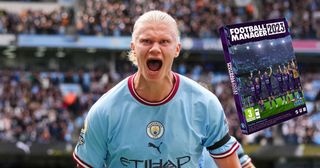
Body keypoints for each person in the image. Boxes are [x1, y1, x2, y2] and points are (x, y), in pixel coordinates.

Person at [73, 10, 241, 168]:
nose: (155, 49)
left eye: (164, 41)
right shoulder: (104, 111)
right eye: (146, 41)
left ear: (177, 49)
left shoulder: (205, 104)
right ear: (133, 47)